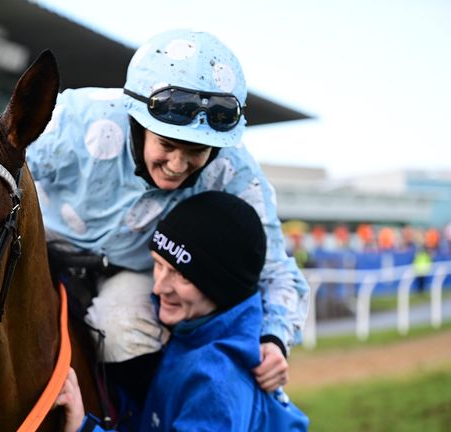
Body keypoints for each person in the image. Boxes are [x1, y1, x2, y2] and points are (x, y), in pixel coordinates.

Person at [27, 29, 309, 399]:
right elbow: (0, 176)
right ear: (138, 121)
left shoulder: (235, 170)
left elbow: (276, 269)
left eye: (197, 150)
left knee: (128, 332)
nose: (178, 165)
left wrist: (274, 338)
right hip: (38, 247)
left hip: (134, 272)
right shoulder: (71, 120)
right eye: (168, 144)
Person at [56, 192, 309, 431]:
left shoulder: (216, 383)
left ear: (222, 288)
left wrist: (82, 427)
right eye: (158, 265)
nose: (159, 286)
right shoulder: (192, 330)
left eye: (181, 275)